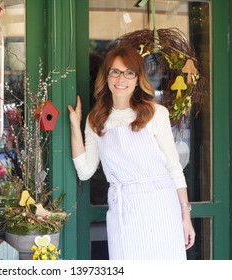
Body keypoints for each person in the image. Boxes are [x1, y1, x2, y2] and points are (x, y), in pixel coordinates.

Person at [68, 46, 195, 260]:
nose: (121, 79)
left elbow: (174, 167)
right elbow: (85, 171)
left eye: (129, 73)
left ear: (138, 79)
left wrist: (185, 214)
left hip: (162, 206)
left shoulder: (156, 113)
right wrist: (75, 126)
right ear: (107, 76)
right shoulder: (96, 119)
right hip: (123, 209)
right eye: (115, 72)